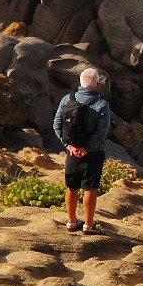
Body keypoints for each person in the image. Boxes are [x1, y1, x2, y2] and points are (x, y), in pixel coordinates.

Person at [53, 67, 112, 235]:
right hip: (93, 153)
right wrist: (86, 148)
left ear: (80, 82)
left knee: (71, 186)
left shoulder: (67, 99)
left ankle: (71, 222)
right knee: (90, 188)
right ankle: (88, 225)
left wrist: (69, 146)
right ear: (97, 84)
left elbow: (56, 125)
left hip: (72, 152)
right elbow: (102, 133)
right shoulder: (102, 104)